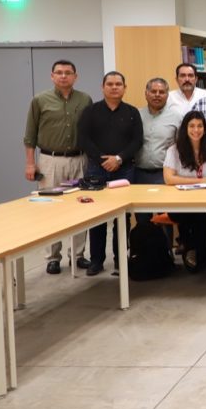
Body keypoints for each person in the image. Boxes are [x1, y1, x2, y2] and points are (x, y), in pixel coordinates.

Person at [24, 59, 93, 275]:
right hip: (50, 160)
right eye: (59, 72)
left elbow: (91, 131)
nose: (64, 76)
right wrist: (30, 163)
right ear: (52, 76)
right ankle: (52, 257)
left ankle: (78, 255)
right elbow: (30, 135)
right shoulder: (39, 100)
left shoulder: (85, 99)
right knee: (50, 209)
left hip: (79, 159)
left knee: (81, 207)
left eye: (68, 72)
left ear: (75, 76)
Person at [77, 71, 143, 276]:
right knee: (96, 216)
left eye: (118, 84)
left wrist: (119, 159)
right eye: (110, 84)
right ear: (102, 87)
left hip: (125, 169)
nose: (114, 87)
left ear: (125, 88)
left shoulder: (132, 112)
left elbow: (137, 141)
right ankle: (96, 260)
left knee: (122, 217)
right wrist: (103, 160)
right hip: (96, 169)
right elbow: (83, 139)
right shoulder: (90, 111)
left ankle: (120, 259)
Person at [164, 110, 206, 273]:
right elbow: (169, 178)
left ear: (205, 129)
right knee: (199, 217)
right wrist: (202, 181)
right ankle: (200, 254)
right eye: (191, 126)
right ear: (185, 128)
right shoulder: (174, 150)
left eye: (200, 126)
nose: (196, 130)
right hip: (181, 204)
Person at [134, 78, 182, 229]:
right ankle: (144, 245)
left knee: (166, 219)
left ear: (167, 95)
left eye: (161, 92)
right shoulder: (136, 115)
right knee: (142, 219)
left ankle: (166, 245)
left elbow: (181, 147)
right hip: (139, 174)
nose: (157, 95)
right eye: (153, 91)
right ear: (146, 93)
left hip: (165, 175)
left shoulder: (176, 117)